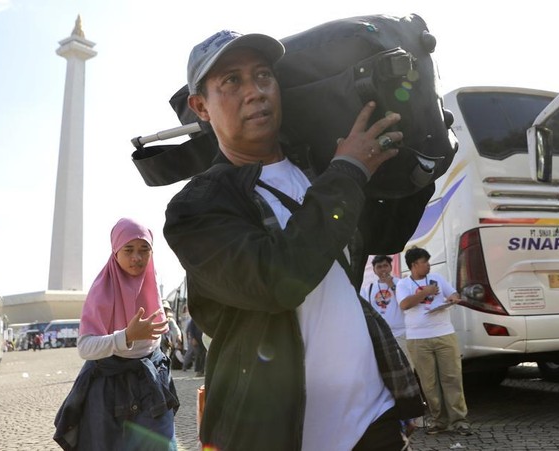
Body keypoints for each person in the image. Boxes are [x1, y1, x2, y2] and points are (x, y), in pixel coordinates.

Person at [163, 30, 423, 451]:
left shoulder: (318, 167)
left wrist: (414, 156)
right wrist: (349, 173)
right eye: (232, 81)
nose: (255, 91)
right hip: (279, 436)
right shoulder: (196, 207)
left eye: (263, 75)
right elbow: (275, 280)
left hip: (373, 421)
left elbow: (383, 239)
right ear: (200, 107)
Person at [54, 218, 180, 451]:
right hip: (111, 388)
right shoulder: (101, 291)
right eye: (128, 250)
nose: (137, 258)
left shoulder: (151, 280)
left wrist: (170, 321)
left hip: (152, 381)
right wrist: (126, 336)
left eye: (145, 250)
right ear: (115, 252)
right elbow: (85, 347)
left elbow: (158, 313)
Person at [396, 247, 472, 436]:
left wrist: (453, 299)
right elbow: (404, 304)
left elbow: (453, 294)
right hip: (418, 339)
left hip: (444, 334)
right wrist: (425, 292)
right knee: (429, 383)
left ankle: (459, 420)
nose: (429, 265)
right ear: (414, 265)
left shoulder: (438, 278)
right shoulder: (403, 284)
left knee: (452, 378)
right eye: (425, 262)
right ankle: (439, 420)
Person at [360, 255, 409, 363]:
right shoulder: (369, 289)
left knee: (407, 365)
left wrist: (391, 285)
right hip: (382, 335)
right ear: (374, 270)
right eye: (379, 267)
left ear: (390, 267)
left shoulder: (402, 283)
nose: (383, 269)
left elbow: (405, 302)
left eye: (385, 266)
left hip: (402, 333)